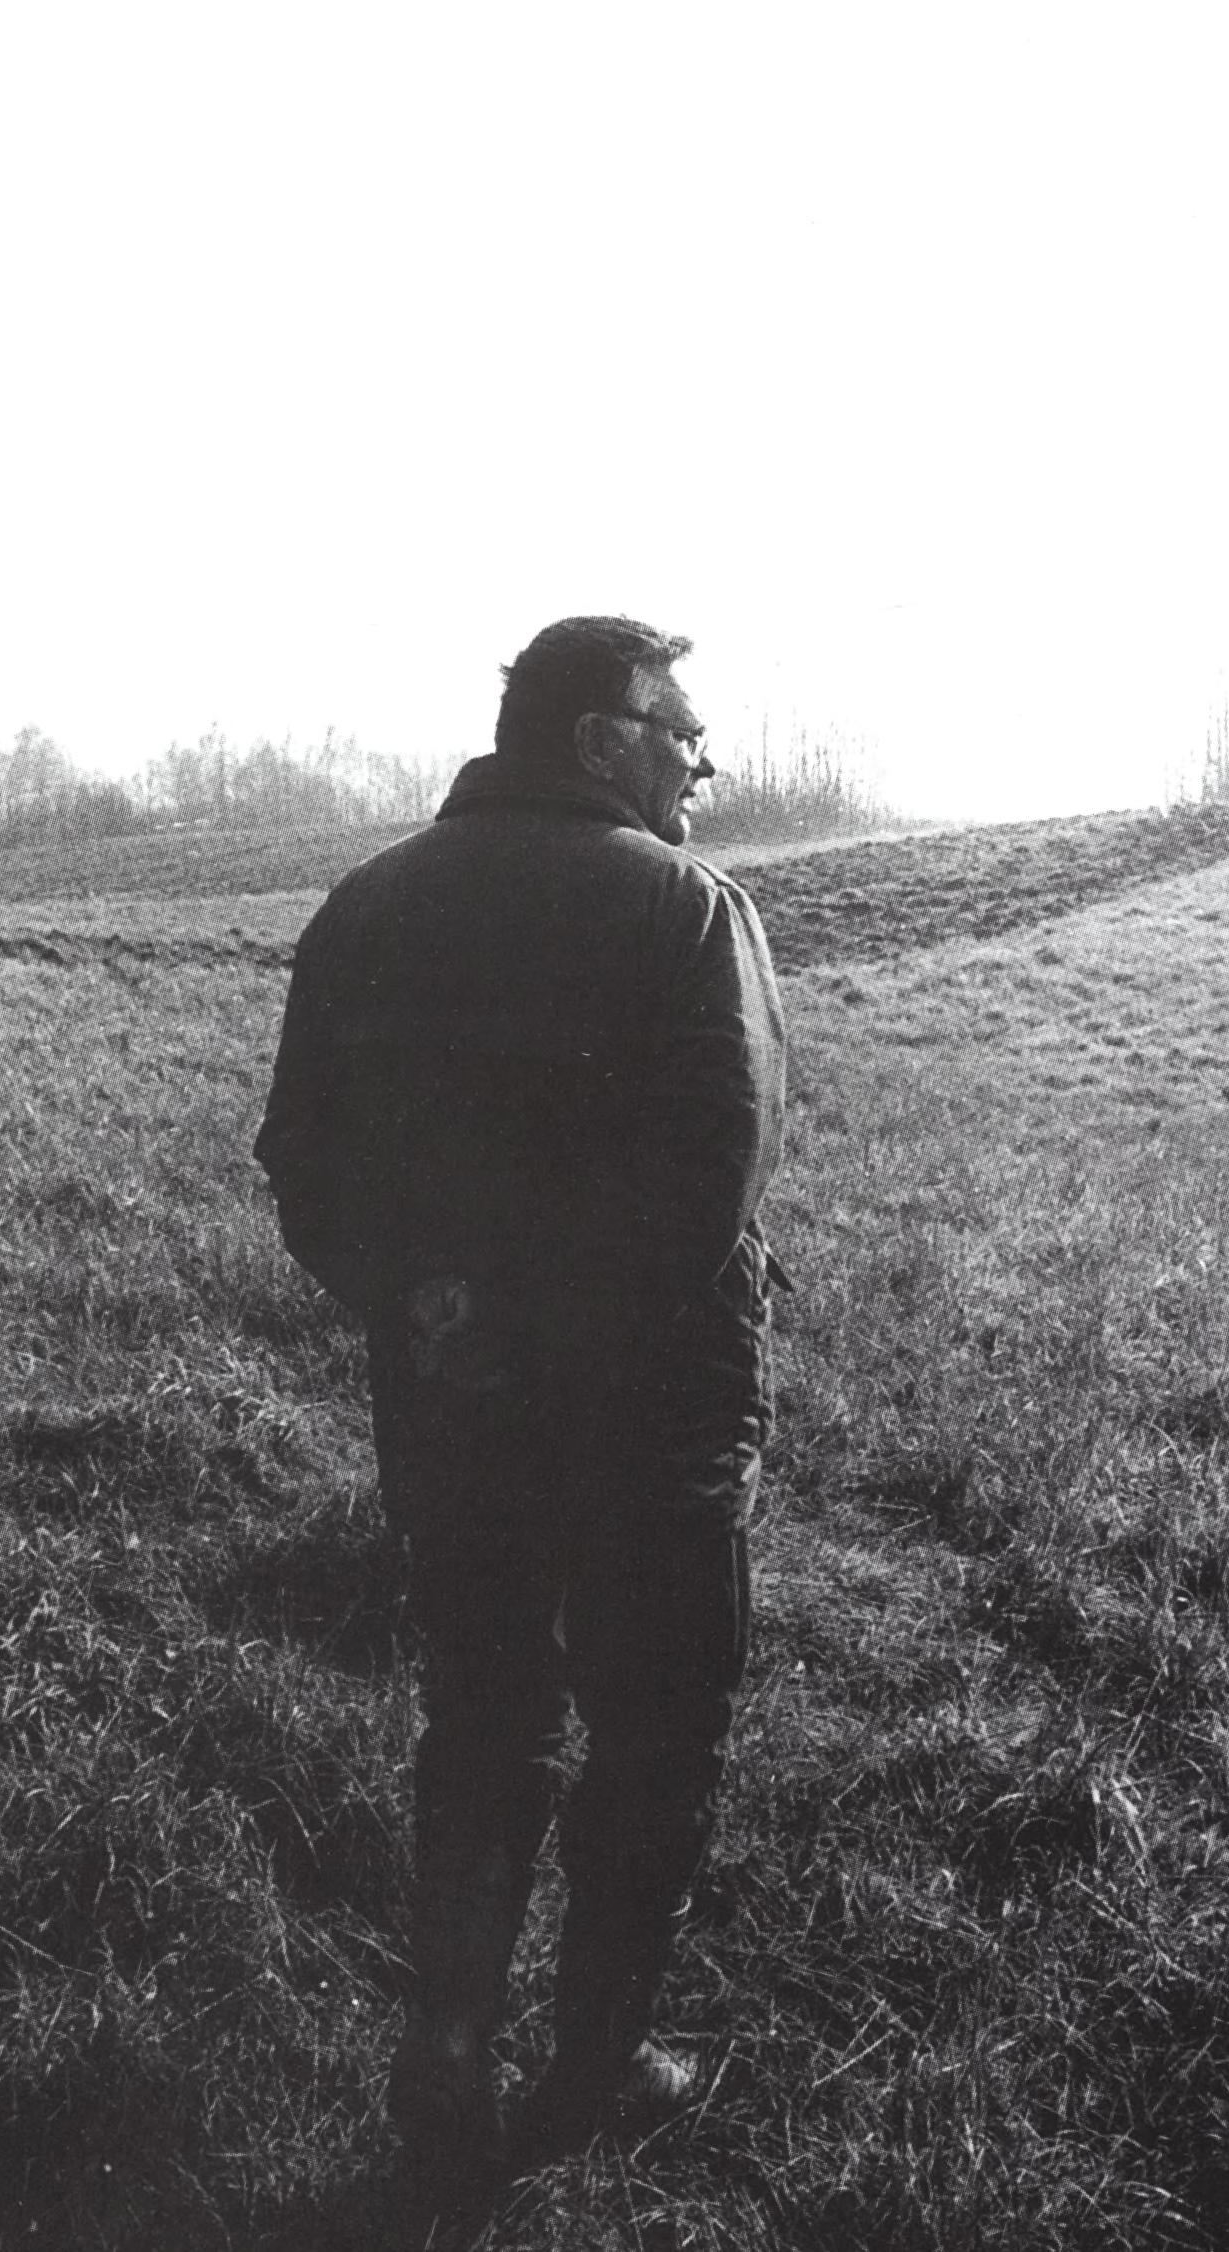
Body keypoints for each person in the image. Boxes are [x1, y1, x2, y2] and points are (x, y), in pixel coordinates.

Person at [254, 614, 787, 2197]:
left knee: (481, 1709)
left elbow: (302, 1154)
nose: (700, 762)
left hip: (450, 1393)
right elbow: (716, 1168)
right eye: (680, 732)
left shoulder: (367, 902)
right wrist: (573, 1331)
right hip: (655, 1406)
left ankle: (446, 2046)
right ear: (597, 739)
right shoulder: (687, 907)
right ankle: (592, 2064)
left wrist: (426, 1302)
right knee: (656, 1728)